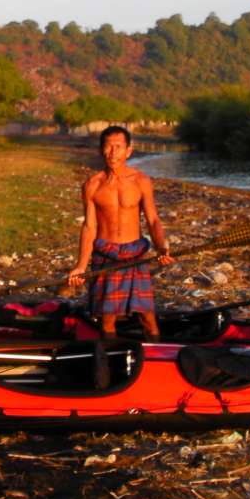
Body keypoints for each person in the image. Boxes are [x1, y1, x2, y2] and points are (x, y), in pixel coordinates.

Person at [69, 126, 172, 340]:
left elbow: (153, 219)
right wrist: (80, 265)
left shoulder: (141, 181)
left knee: (147, 316)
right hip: (105, 254)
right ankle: (110, 355)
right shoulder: (92, 185)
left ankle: (157, 354)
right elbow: (89, 227)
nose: (113, 152)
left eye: (118, 147)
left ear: (129, 151)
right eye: (108, 146)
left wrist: (162, 246)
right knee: (107, 318)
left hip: (134, 255)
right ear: (101, 150)